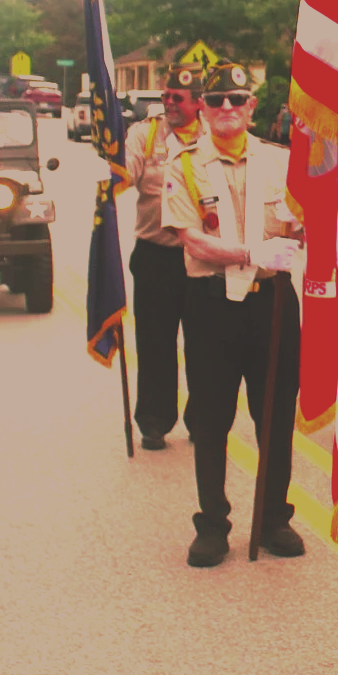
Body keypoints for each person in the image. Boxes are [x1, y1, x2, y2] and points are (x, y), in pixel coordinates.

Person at [167, 58, 305, 568]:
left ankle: (273, 519)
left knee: (275, 416)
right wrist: (251, 253)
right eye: (216, 100)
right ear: (202, 109)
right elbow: (192, 239)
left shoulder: (282, 162)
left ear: (251, 108)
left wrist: (301, 233)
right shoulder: (183, 165)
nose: (227, 107)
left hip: (271, 302)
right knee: (210, 418)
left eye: (237, 100)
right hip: (211, 305)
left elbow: (303, 223)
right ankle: (212, 524)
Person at [124, 65, 205, 453]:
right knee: (155, 344)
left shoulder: (213, 137)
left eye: (178, 98)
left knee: (205, 344)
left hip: (202, 258)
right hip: (156, 256)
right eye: (166, 96)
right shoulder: (145, 134)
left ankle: (203, 419)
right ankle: (154, 421)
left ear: (198, 103)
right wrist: (111, 172)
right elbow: (126, 174)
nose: (170, 103)